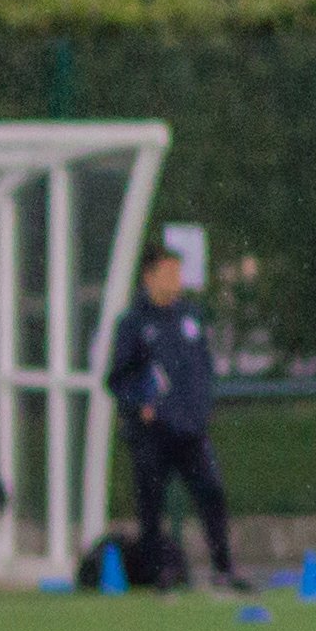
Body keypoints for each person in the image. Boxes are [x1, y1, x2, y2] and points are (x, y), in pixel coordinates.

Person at [102, 243, 239, 593]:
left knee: (211, 494)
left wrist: (201, 405)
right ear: (149, 276)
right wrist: (143, 404)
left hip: (191, 430)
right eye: (169, 273)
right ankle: (158, 577)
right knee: (151, 505)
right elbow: (118, 378)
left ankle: (224, 569)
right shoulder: (133, 323)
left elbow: (201, 368)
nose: (176, 280)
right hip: (152, 433)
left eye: (178, 273)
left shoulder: (189, 317)